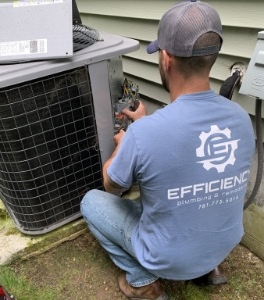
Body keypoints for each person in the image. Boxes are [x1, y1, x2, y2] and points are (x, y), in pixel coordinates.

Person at [80, 1, 255, 299]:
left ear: (165, 58)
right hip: (223, 244)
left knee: (91, 202)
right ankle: (210, 268)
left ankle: (142, 280)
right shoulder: (239, 117)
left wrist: (123, 146)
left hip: (169, 259)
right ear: (212, 57)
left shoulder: (145, 134)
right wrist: (144, 126)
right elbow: (188, 153)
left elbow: (112, 186)